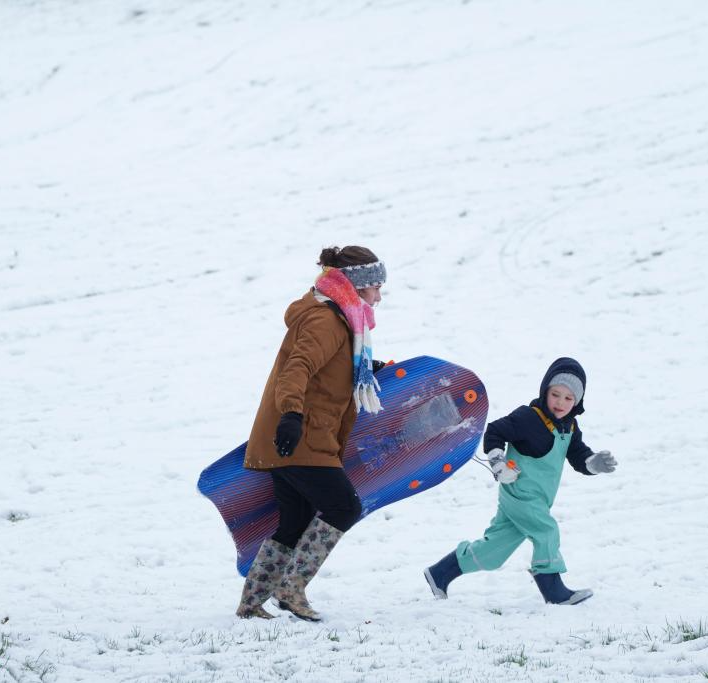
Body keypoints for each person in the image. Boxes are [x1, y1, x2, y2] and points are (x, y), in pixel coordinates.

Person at [236, 245, 387, 621]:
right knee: (344, 506)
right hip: (301, 436)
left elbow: (325, 369)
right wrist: (290, 414)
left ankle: (253, 602)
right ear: (357, 287)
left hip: (298, 437)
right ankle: (290, 589)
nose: (379, 296)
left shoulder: (339, 318)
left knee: (296, 518)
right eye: (375, 288)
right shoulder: (326, 320)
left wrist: (365, 369)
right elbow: (297, 368)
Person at [423, 357, 618, 605]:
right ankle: (553, 590)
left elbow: (577, 454)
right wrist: (498, 462)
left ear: (577, 402)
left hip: (537, 498)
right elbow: (495, 431)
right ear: (545, 390)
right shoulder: (529, 418)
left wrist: (592, 463)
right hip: (519, 493)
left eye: (569, 398)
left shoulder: (569, 427)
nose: (560, 403)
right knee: (546, 530)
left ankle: (440, 573)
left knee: (493, 552)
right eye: (556, 394)